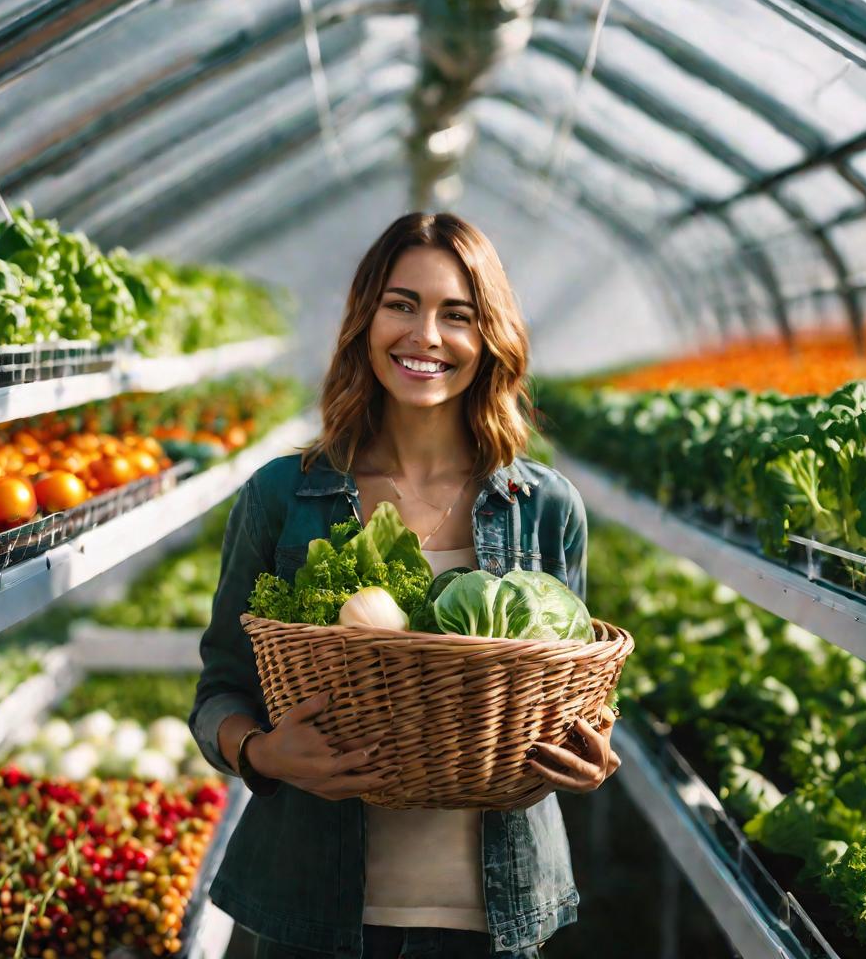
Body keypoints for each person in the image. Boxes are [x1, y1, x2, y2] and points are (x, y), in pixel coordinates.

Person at [189, 213, 621, 959]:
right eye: (402, 304)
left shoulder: (547, 508)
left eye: (457, 315)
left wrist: (595, 752)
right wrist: (260, 752)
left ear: (490, 337)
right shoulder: (281, 497)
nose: (426, 336)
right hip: (311, 912)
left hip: (492, 917)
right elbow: (219, 690)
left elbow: (576, 689)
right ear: (364, 320)